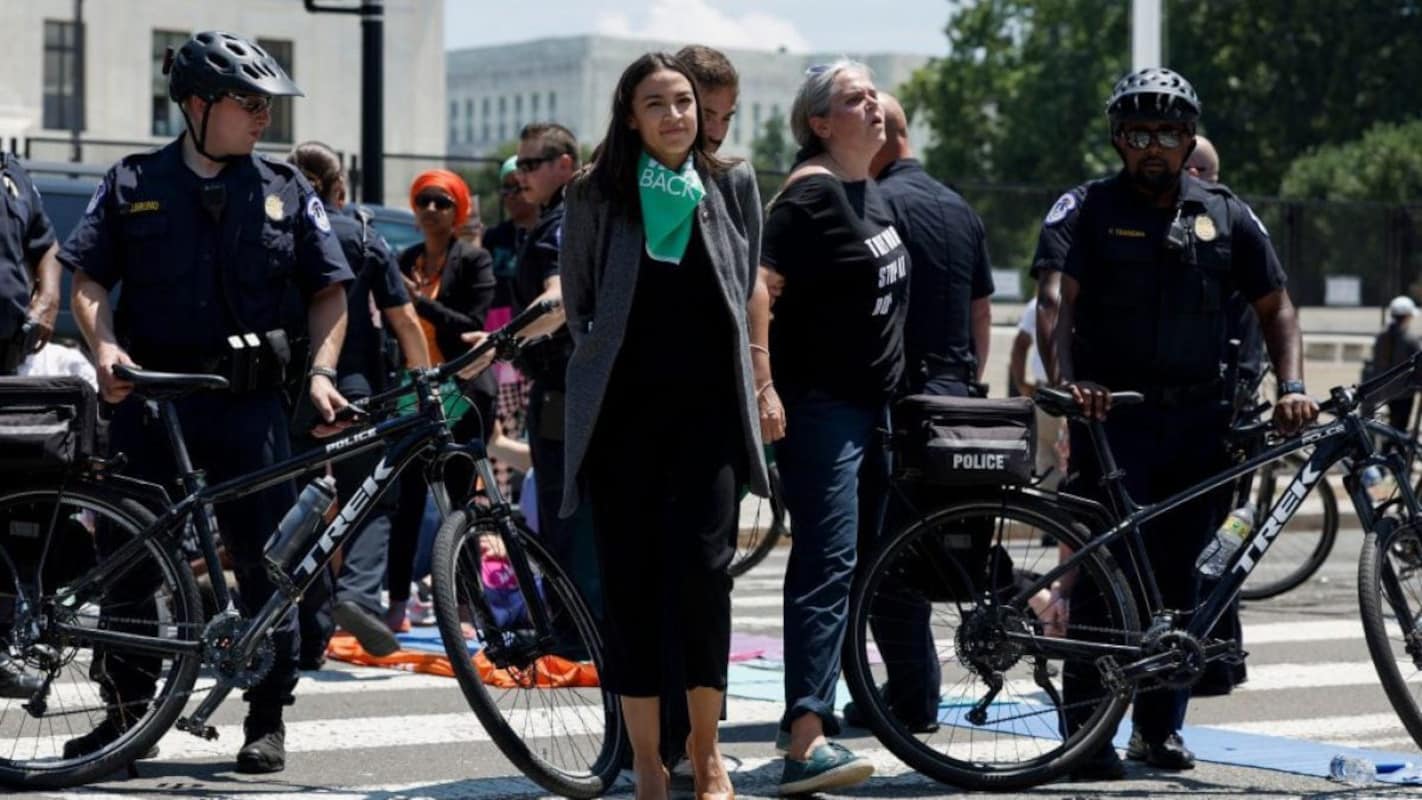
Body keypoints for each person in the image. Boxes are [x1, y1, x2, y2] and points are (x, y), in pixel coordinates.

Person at [60, 31, 354, 772]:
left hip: (249, 405)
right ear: (196, 105)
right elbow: (87, 279)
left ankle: (265, 716)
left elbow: (330, 292)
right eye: (248, 102)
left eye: (268, 104)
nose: (264, 117)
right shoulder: (131, 181)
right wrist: (104, 347)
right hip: (151, 399)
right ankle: (127, 716)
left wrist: (321, 373)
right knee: (128, 561)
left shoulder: (288, 189)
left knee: (267, 563)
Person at [1053, 66, 1317, 779]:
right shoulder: (1089, 208)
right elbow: (1060, 304)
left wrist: (1293, 384)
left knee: (1184, 585)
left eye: (1168, 134)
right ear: (1117, 138)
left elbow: (1277, 308)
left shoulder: (1227, 212)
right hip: (1117, 424)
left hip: (1202, 428)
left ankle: (1158, 731)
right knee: (1108, 578)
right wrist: (1068, 382)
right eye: (1138, 133)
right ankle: (1087, 736)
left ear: (1188, 138)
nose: (1153, 148)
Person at [559, 51, 769, 800]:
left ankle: (705, 755)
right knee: (632, 586)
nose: (676, 115)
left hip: (708, 417)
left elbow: (744, 284)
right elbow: (580, 298)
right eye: (657, 103)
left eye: (684, 101)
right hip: (622, 421)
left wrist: (760, 383)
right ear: (629, 115)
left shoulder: (732, 181)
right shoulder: (595, 192)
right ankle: (648, 762)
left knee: (705, 581)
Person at [760, 59, 907, 795]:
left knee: (858, 568)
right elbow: (760, 294)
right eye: (855, 98)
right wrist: (764, 387)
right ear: (820, 122)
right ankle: (805, 740)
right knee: (826, 565)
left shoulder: (866, 190)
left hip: (872, 410)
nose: (873, 105)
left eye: (873, 93)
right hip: (822, 409)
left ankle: (827, 716)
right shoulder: (807, 197)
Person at [840, 92, 991, 732]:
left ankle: (910, 699)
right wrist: (966, 380)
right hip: (956, 399)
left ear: (885, 138)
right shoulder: (959, 207)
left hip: (900, 403)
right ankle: (914, 694)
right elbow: (982, 310)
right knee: (933, 552)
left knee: (883, 562)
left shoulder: (878, 204)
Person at [286, 142, 432, 664]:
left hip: (285, 386)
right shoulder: (362, 235)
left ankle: (304, 634)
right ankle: (357, 597)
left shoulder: (278, 229)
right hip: (352, 384)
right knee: (368, 497)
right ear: (338, 187)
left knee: (294, 507)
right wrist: (424, 379)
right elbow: (403, 318)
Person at [387, 169, 496, 631]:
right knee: (407, 499)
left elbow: (469, 321)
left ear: (458, 213)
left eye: (442, 202)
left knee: (459, 500)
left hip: (463, 392)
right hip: (415, 391)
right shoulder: (404, 258)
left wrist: (419, 302)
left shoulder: (473, 261)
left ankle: (466, 606)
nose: (431, 209)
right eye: (424, 201)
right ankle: (395, 604)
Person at [0, 146, 62, 698]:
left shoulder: (11, 170)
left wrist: (46, 299)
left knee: (10, 503)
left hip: (7, 358)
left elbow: (45, 245)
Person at [1373, 295, 1420, 433]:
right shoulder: (1410, 339)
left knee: (1390, 425)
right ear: (1406, 316)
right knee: (1400, 427)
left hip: (1383, 389)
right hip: (1405, 391)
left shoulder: (1382, 336)